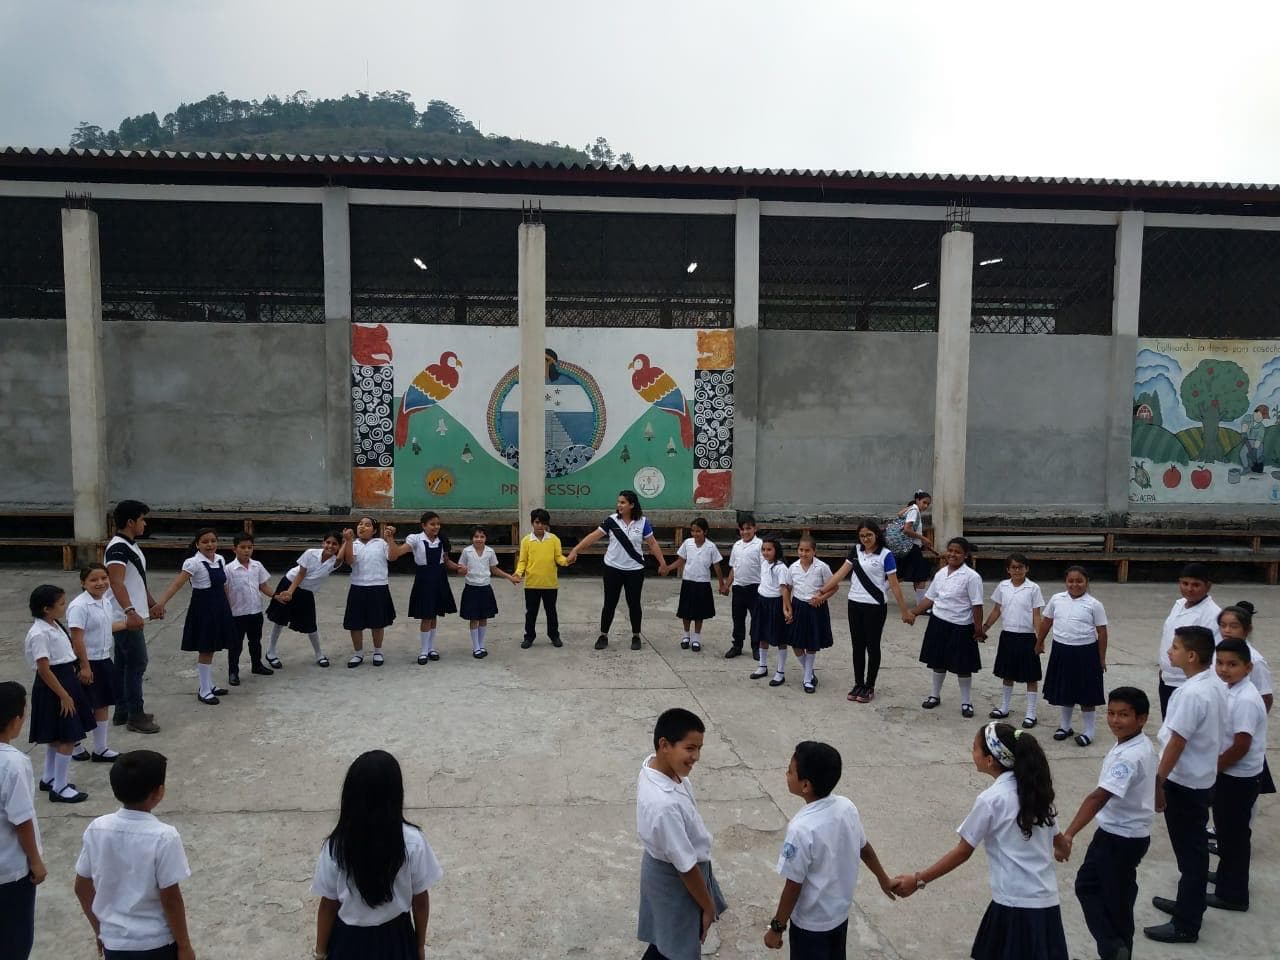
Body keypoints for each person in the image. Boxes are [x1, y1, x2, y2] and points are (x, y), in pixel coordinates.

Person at [891, 723, 1067, 960]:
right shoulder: (1037, 792)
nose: (971, 752)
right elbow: (1058, 839)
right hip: (1046, 903)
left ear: (989, 760)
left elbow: (963, 851)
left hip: (1013, 906)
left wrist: (918, 880)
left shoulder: (991, 800)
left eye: (974, 748)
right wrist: (1063, 847)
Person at [762, 741, 895, 957]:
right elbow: (865, 848)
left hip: (810, 925)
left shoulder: (801, 828)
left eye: (790, 771)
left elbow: (793, 885)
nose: (786, 774)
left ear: (805, 785)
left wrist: (777, 927)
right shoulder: (846, 807)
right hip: (839, 915)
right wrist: (884, 879)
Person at [1054, 686, 1157, 960]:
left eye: (1124, 715)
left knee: (1098, 893)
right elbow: (1156, 779)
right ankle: (1116, 948)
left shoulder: (1128, 756)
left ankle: (1113, 948)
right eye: (1111, 713)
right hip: (1127, 834)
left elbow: (1099, 797)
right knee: (1112, 898)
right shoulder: (1139, 744)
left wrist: (1069, 834)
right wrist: (1159, 800)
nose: (1114, 720)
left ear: (1142, 718)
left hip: (1119, 838)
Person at [312, 750, 443, 960]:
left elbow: (328, 905)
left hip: (349, 941)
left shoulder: (336, 846)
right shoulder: (413, 841)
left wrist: (320, 952)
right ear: (396, 794)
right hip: (397, 938)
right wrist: (419, 946)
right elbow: (421, 901)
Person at [1144, 625, 1228, 945]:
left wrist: (1158, 783)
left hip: (1185, 782)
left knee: (1191, 854)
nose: (1169, 651)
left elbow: (1177, 741)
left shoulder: (1191, 693)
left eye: (1175, 647)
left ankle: (1186, 923)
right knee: (1190, 851)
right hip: (1200, 777)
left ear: (1191, 655)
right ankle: (1185, 903)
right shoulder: (1212, 684)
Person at [73, 750, 193, 960]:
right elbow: (171, 899)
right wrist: (184, 946)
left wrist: (100, 930)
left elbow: (81, 887)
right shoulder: (164, 836)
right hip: (156, 943)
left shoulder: (97, 828)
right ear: (159, 792)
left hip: (115, 944)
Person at [636, 708, 726, 960]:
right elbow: (686, 867)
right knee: (677, 947)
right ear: (664, 745)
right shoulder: (663, 805)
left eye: (699, 748)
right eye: (690, 748)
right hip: (675, 878)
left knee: (667, 941)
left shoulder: (654, 766)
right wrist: (707, 906)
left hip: (668, 869)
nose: (696, 756)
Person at [815, 519, 913, 704]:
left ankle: (869, 686)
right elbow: (840, 574)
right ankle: (858, 683)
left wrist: (904, 611)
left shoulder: (886, 555)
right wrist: (821, 591)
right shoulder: (856, 551)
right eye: (862, 536)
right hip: (854, 603)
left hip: (875, 606)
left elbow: (894, 584)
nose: (866, 539)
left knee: (872, 646)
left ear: (877, 534)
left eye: (869, 535)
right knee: (857, 646)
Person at [567, 490, 669, 651]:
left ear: (632, 505)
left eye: (623, 503)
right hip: (612, 568)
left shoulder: (643, 522)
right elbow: (593, 536)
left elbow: (652, 544)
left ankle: (636, 636)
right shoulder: (611, 521)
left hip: (635, 570)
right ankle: (603, 635)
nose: (619, 505)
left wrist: (663, 563)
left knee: (634, 604)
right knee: (609, 603)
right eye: (618, 502)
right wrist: (575, 550)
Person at [1210, 638, 1267, 912]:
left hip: (1238, 776)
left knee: (1233, 835)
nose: (1224, 669)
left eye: (1232, 664)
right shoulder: (1231, 689)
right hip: (1231, 774)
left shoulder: (1245, 698)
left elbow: (1241, 745)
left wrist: (1214, 768)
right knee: (1227, 832)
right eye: (1219, 663)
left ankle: (1233, 894)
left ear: (1248, 667)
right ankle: (1226, 878)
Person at [25, 584, 96, 803]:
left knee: (57, 737)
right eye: (62, 603)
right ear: (47, 608)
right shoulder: (39, 633)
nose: (65, 607)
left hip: (65, 678)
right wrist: (64, 695)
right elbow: (44, 669)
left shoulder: (54, 625)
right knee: (67, 736)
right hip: (55, 685)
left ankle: (49, 777)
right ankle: (60, 786)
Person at [154, 529, 235, 706]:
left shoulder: (220, 559)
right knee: (205, 648)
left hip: (219, 606)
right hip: (203, 608)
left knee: (213, 647)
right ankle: (204, 690)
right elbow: (177, 583)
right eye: (205, 541)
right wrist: (161, 604)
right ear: (197, 544)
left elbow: (224, 586)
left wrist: (228, 607)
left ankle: (209, 685)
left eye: (213, 541)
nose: (210, 544)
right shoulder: (193, 563)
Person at [911, 537, 984, 718]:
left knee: (963, 666)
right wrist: (913, 613)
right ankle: (934, 695)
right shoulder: (941, 573)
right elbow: (930, 598)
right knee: (938, 662)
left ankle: (966, 702)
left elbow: (977, 605)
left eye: (958, 552)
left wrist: (978, 629)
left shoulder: (972, 577)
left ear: (965, 555)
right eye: (950, 550)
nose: (952, 554)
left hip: (961, 625)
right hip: (939, 622)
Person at [105, 499, 161, 734]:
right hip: (126, 617)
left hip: (132, 614)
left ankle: (122, 710)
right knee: (137, 663)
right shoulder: (118, 547)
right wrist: (130, 611)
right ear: (130, 522)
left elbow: (136, 579)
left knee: (124, 664)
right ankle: (135, 715)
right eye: (141, 519)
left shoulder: (130, 545)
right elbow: (116, 582)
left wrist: (151, 603)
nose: (145, 524)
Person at [1038, 567, 1108, 747]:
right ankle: (1065, 726)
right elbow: (1047, 621)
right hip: (1062, 650)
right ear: (1065, 582)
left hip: (1086, 652)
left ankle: (1089, 731)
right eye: (1071, 581)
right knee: (1065, 690)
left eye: (1079, 581)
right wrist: (1039, 641)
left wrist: (1101, 658)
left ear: (1087, 582)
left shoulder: (1094, 604)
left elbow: (1102, 631)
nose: (1074, 584)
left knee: (1086, 693)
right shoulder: (1056, 599)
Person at [0, 682, 44, 960]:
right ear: (16, 720)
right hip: (10, 870)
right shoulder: (13, 763)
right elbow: (21, 819)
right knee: (15, 943)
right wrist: (36, 861)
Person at [67, 564, 124, 763]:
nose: (100, 583)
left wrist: (128, 623)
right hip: (86, 660)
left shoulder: (105, 602)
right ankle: (74, 744)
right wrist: (84, 666)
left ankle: (101, 748)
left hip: (103, 659)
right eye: (93, 580)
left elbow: (106, 627)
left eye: (103, 578)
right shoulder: (79, 606)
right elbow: (77, 638)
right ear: (83, 583)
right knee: (81, 704)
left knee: (102, 703)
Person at [389, 511, 461, 665]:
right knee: (426, 616)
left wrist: (459, 567)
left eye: (438, 524)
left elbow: (446, 561)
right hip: (424, 580)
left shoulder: (442, 540)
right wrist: (390, 538)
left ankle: (431, 648)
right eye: (432, 524)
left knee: (434, 615)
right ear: (423, 525)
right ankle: (423, 651)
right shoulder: (415, 539)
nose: (436, 527)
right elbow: (396, 554)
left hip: (440, 579)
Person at [981, 555, 1045, 728]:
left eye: (1020, 567)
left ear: (1027, 569)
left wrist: (1040, 639)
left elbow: (1036, 615)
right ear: (1008, 569)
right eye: (1013, 567)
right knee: (1007, 673)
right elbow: (996, 610)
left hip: (1027, 637)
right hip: (1008, 635)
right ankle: (1004, 707)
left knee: (1031, 675)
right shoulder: (1003, 586)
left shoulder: (1033, 588)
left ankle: (1031, 712)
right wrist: (984, 628)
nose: (1017, 570)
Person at [264, 532, 343, 669]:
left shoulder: (335, 562)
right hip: (290, 583)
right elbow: (301, 574)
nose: (330, 546)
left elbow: (344, 554)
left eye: (335, 544)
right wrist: (290, 592)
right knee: (280, 620)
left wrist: (348, 539)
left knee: (311, 624)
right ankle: (270, 652)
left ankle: (319, 654)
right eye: (328, 542)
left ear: (339, 547)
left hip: (306, 592)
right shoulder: (310, 553)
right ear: (323, 543)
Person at [1155, 563, 1221, 718]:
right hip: (1167, 678)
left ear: (1208, 586)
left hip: (1188, 681)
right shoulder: (1179, 604)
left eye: (1196, 585)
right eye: (1185, 584)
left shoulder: (1212, 614)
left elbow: (1213, 652)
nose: (1189, 589)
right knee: (1168, 723)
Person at [338, 517, 397, 668]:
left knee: (378, 623)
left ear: (375, 530)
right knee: (355, 623)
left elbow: (393, 557)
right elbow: (350, 561)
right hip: (358, 586)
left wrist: (390, 539)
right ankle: (358, 653)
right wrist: (349, 541)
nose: (362, 527)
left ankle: (378, 651)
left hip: (378, 586)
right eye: (360, 524)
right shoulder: (354, 543)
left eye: (367, 525)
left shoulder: (381, 543)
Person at [456, 526, 518, 659]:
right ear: (472, 538)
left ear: (486, 538)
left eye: (482, 537)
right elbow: (460, 568)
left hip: (485, 587)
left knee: (483, 617)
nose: (479, 539)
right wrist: (462, 570)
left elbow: (494, 569)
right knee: (474, 618)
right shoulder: (467, 552)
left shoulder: (490, 552)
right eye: (476, 537)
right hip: (471, 588)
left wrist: (509, 577)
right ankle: (476, 647)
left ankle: (482, 644)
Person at [224, 533, 276, 685]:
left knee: (255, 641)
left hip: (255, 611)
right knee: (236, 645)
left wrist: (276, 596)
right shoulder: (228, 569)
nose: (246, 551)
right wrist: (227, 612)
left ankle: (257, 665)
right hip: (237, 613)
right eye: (242, 547)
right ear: (234, 549)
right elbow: (225, 591)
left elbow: (263, 586)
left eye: (249, 547)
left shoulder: (257, 566)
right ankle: (233, 672)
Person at [667, 518, 726, 653]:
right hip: (688, 581)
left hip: (703, 583)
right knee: (685, 611)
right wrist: (667, 568)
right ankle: (686, 635)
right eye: (693, 531)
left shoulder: (711, 546)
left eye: (698, 531)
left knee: (699, 612)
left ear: (705, 531)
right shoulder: (687, 543)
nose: (695, 534)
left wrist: (722, 584)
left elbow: (717, 566)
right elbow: (680, 561)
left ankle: (696, 638)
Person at [514, 509, 569, 650]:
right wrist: (518, 573)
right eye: (537, 522)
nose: (540, 526)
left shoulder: (554, 539)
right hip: (532, 584)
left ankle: (554, 635)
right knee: (531, 612)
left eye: (543, 523)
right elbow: (522, 561)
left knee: (551, 611)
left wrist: (567, 561)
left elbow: (558, 557)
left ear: (547, 524)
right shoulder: (526, 541)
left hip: (550, 584)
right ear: (532, 523)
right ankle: (529, 637)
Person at [787, 536, 834, 694]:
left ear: (814, 551)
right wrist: (787, 607)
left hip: (816, 608)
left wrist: (821, 598)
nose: (804, 553)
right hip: (798, 606)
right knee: (796, 643)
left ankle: (807, 679)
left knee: (811, 643)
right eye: (801, 550)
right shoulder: (793, 567)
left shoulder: (822, 567)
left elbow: (834, 588)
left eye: (807, 550)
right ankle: (809, 669)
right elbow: (787, 588)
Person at [751, 539, 794, 686]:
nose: (765, 552)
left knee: (780, 639)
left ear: (776, 551)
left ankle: (780, 672)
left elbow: (784, 589)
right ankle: (762, 666)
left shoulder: (781, 567)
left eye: (769, 550)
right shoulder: (764, 563)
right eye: (763, 549)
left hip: (775, 604)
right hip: (762, 602)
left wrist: (786, 608)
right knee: (762, 635)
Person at [721, 514, 762, 660]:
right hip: (738, 587)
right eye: (742, 529)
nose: (745, 532)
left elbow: (765, 568)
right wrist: (727, 585)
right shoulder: (737, 546)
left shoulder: (760, 545)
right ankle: (737, 645)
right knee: (738, 618)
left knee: (756, 618)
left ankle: (756, 647)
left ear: (754, 529)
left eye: (748, 528)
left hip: (755, 587)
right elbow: (734, 567)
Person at [894, 490, 934, 598]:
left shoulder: (912, 510)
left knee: (899, 575)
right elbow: (907, 529)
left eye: (928, 504)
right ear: (917, 500)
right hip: (912, 548)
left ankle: (878, 593)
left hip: (908, 547)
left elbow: (899, 514)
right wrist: (923, 538)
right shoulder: (914, 511)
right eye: (924, 502)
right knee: (921, 575)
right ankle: (921, 604)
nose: (926, 506)